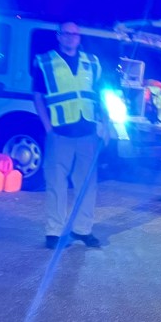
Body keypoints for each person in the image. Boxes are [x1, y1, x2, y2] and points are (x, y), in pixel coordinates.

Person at [32, 22, 106, 248]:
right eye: (66, 33)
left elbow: (100, 96)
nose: (71, 37)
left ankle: (82, 230)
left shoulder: (92, 62)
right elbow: (38, 96)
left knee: (87, 185)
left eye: (75, 34)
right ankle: (53, 232)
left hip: (88, 133)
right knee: (56, 183)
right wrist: (48, 128)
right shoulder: (45, 62)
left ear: (79, 38)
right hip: (60, 133)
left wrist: (106, 124)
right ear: (59, 36)